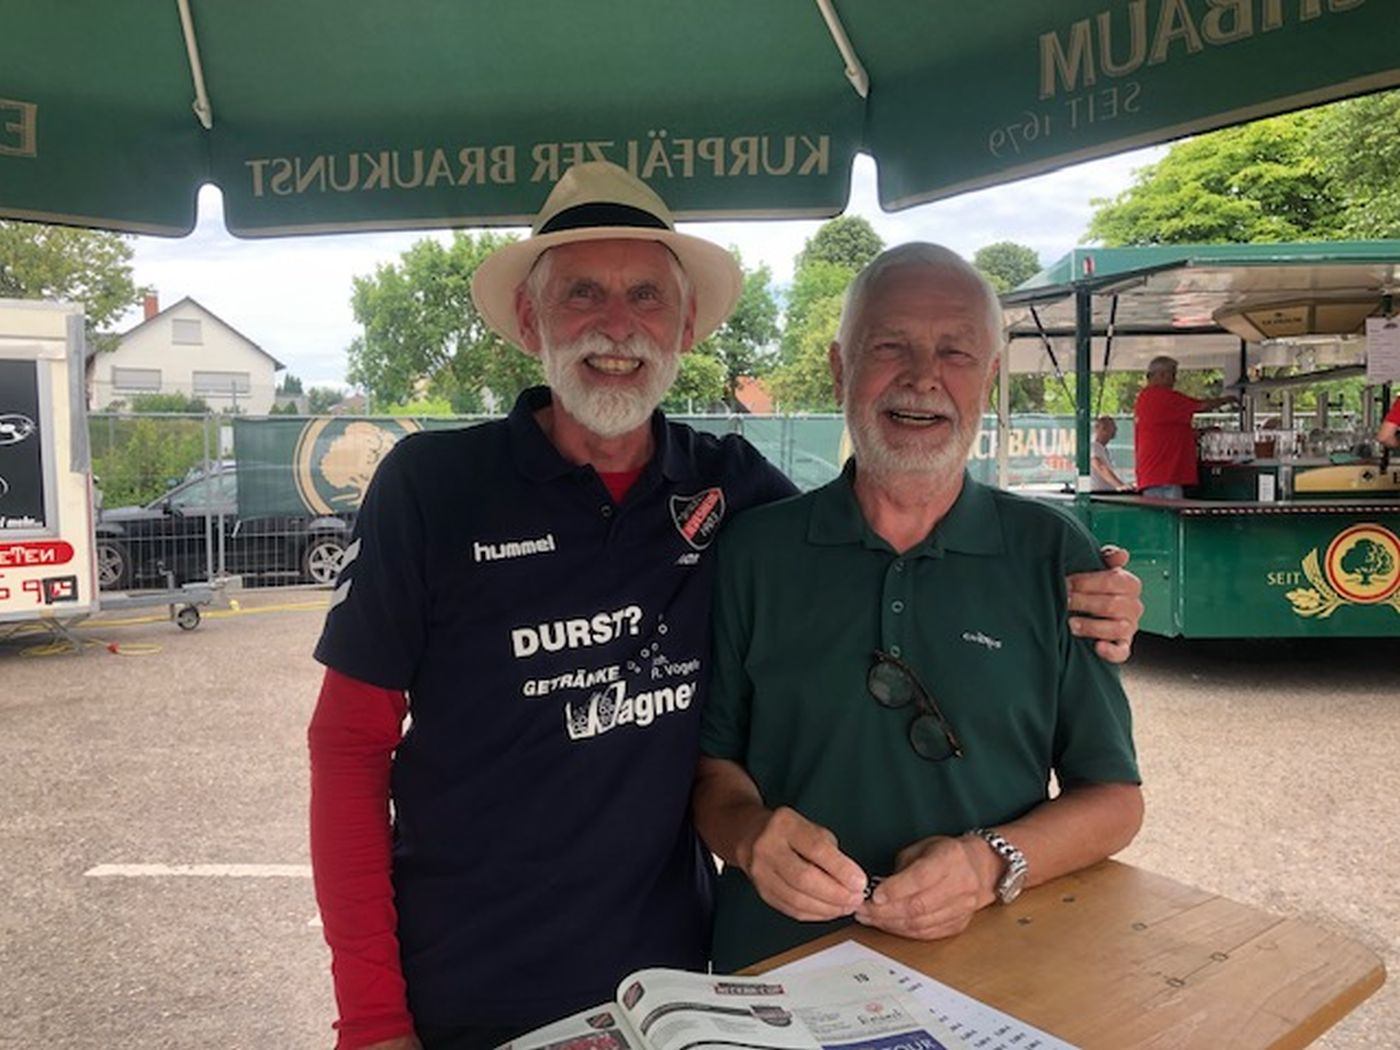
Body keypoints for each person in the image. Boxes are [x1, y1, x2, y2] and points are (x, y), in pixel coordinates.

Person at [308, 167, 1146, 1050]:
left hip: (670, 988)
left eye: (646, 295)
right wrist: (372, 1020)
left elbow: (863, 526)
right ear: (529, 319)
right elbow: (348, 748)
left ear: (686, 326)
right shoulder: (434, 488)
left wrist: (1102, 589)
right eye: (582, 292)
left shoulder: (732, 491)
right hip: (463, 989)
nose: (617, 324)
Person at [693, 243, 1145, 972]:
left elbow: (1115, 798)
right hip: (776, 967)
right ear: (840, 368)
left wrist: (989, 863)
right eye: (889, 346)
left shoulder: (1054, 553)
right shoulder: (753, 551)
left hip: (990, 974)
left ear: (989, 378)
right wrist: (748, 837)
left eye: (955, 352)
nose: (923, 376)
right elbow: (710, 767)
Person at [1132, 355, 1236, 499]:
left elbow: (1169, 431)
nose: (1175, 380)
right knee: (1172, 511)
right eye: (1173, 375)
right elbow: (1201, 406)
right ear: (1162, 375)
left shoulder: (1145, 398)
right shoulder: (1163, 396)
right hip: (1166, 475)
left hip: (1155, 475)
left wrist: (1201, 432)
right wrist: (1228, 399)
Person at [1089, 415, 1131, 492]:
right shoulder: (1094, 447)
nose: (1115, 429)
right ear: (1103, 429)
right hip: (1099, 495)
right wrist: (1121, 486)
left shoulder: (1102, 449)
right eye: (1112, 426)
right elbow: (1100, 467)